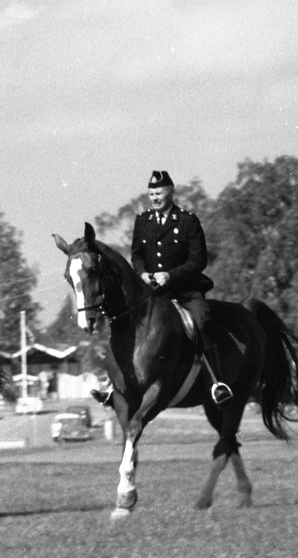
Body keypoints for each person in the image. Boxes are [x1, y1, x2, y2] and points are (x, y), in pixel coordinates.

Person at [91, 171, 232, 406]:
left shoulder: (187, 221)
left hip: (184, 290)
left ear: (171, 192)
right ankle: (112, 385)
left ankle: (214, 382)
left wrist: (171, 275)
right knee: (123, 322)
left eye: (159, 193)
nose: (155, 197)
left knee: (200, 320)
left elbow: (199, 260)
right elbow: (136, 256)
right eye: (151, 193)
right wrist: (143, 273)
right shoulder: (143, 221)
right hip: (151, 292)